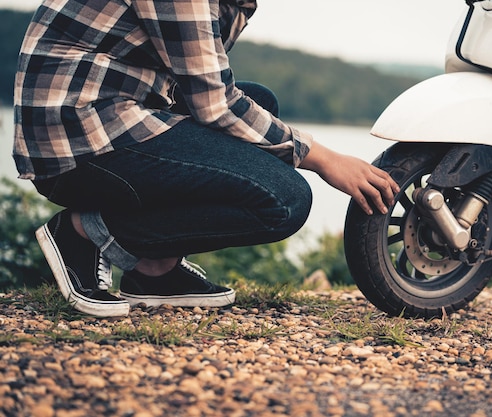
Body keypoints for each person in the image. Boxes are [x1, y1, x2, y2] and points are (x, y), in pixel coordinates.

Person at [13, 0, 399, 317]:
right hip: (75, 134)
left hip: (114, 114)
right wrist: (325, 158)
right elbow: (216, 105)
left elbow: (201, 83)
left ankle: (154, 270)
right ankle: (83, 233)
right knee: (285, 199)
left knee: (262, 102)